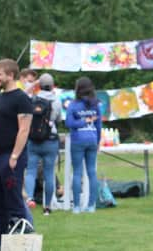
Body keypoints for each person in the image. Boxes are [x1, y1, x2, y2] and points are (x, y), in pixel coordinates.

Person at [0, 59, 34, 250]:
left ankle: (19, 243)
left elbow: (24, 130)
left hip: (10, 158)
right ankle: (0, 242)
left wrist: (14, 157)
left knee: (13, 201)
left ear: (10, 75)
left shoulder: (21, 98)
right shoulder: (0, 96)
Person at [24, 73, 62, 216]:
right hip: (50, 140)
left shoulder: (33, 99)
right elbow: (58, 119)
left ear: (39, 85)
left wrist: (32, 85)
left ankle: (29, 200)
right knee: (49, 173)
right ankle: (47, 206)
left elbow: (22, 96)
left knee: (31, 171)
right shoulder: (56, 101)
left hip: (33, 139)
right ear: (52, 86)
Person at [65, 77, 101, 214]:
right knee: (92, 172)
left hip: (78, 140)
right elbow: (98, 125)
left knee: (77, 172)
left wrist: (81, 122)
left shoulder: (73, 105)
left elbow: (69, 123)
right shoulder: (95, 105)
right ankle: (91, 206)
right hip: (92, 139)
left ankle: (76, 207)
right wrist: (98, 141)